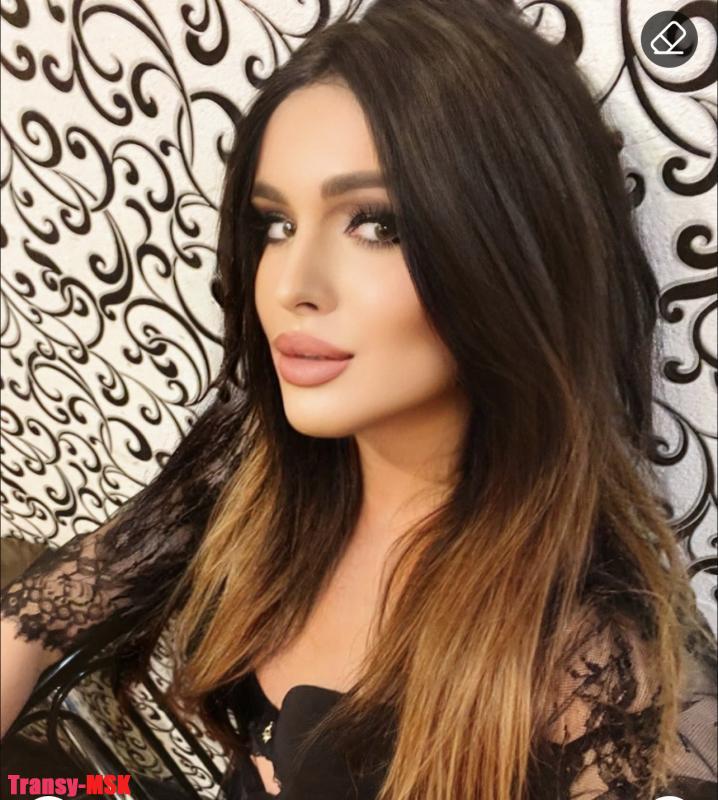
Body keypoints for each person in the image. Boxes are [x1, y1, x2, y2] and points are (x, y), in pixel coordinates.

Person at [1, 1, 716, 798]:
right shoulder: (252, 471)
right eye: (275, 225)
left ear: (514, 254)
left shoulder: (601, 667)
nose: (291, 286)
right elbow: (58, 598)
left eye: (376, 224)